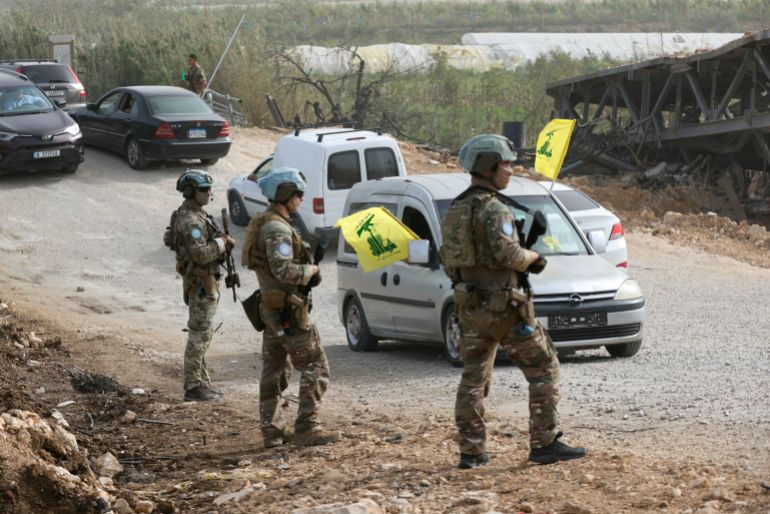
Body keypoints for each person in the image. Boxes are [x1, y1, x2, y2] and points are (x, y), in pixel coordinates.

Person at [439, 134, 587, 468]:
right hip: (504, 309)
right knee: (544, 366)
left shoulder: (455, 210)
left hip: (470, 309)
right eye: (505, 164)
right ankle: (544, 442)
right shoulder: (494, 209)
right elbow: (510, 255)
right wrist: (534, 257)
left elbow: (447, 259)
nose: (510, 169)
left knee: (473, 378)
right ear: (488, 166)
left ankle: (472, 451)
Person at [241, 167, 339, 448]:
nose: (301, 198)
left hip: (272, 310)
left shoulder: (265, 223)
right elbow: (283, 270)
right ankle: (307, 426)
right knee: (316, 366)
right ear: (284, 194)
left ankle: (272, 431)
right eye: (297, 193)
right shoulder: (277, 229)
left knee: (274, 369)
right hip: (288, 312)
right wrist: (311, 271)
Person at [163, 169, 235, 402]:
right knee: (199, 334)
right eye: (204, 190)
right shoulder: (191, 220)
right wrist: (221, 243)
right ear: (190, 191)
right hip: (201, 283)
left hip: (200, 281)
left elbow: (169, 240)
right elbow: (200, 254)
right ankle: (193, 386)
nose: (209, 193)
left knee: (203, 333)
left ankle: (201, 382)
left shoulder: (192, 214)